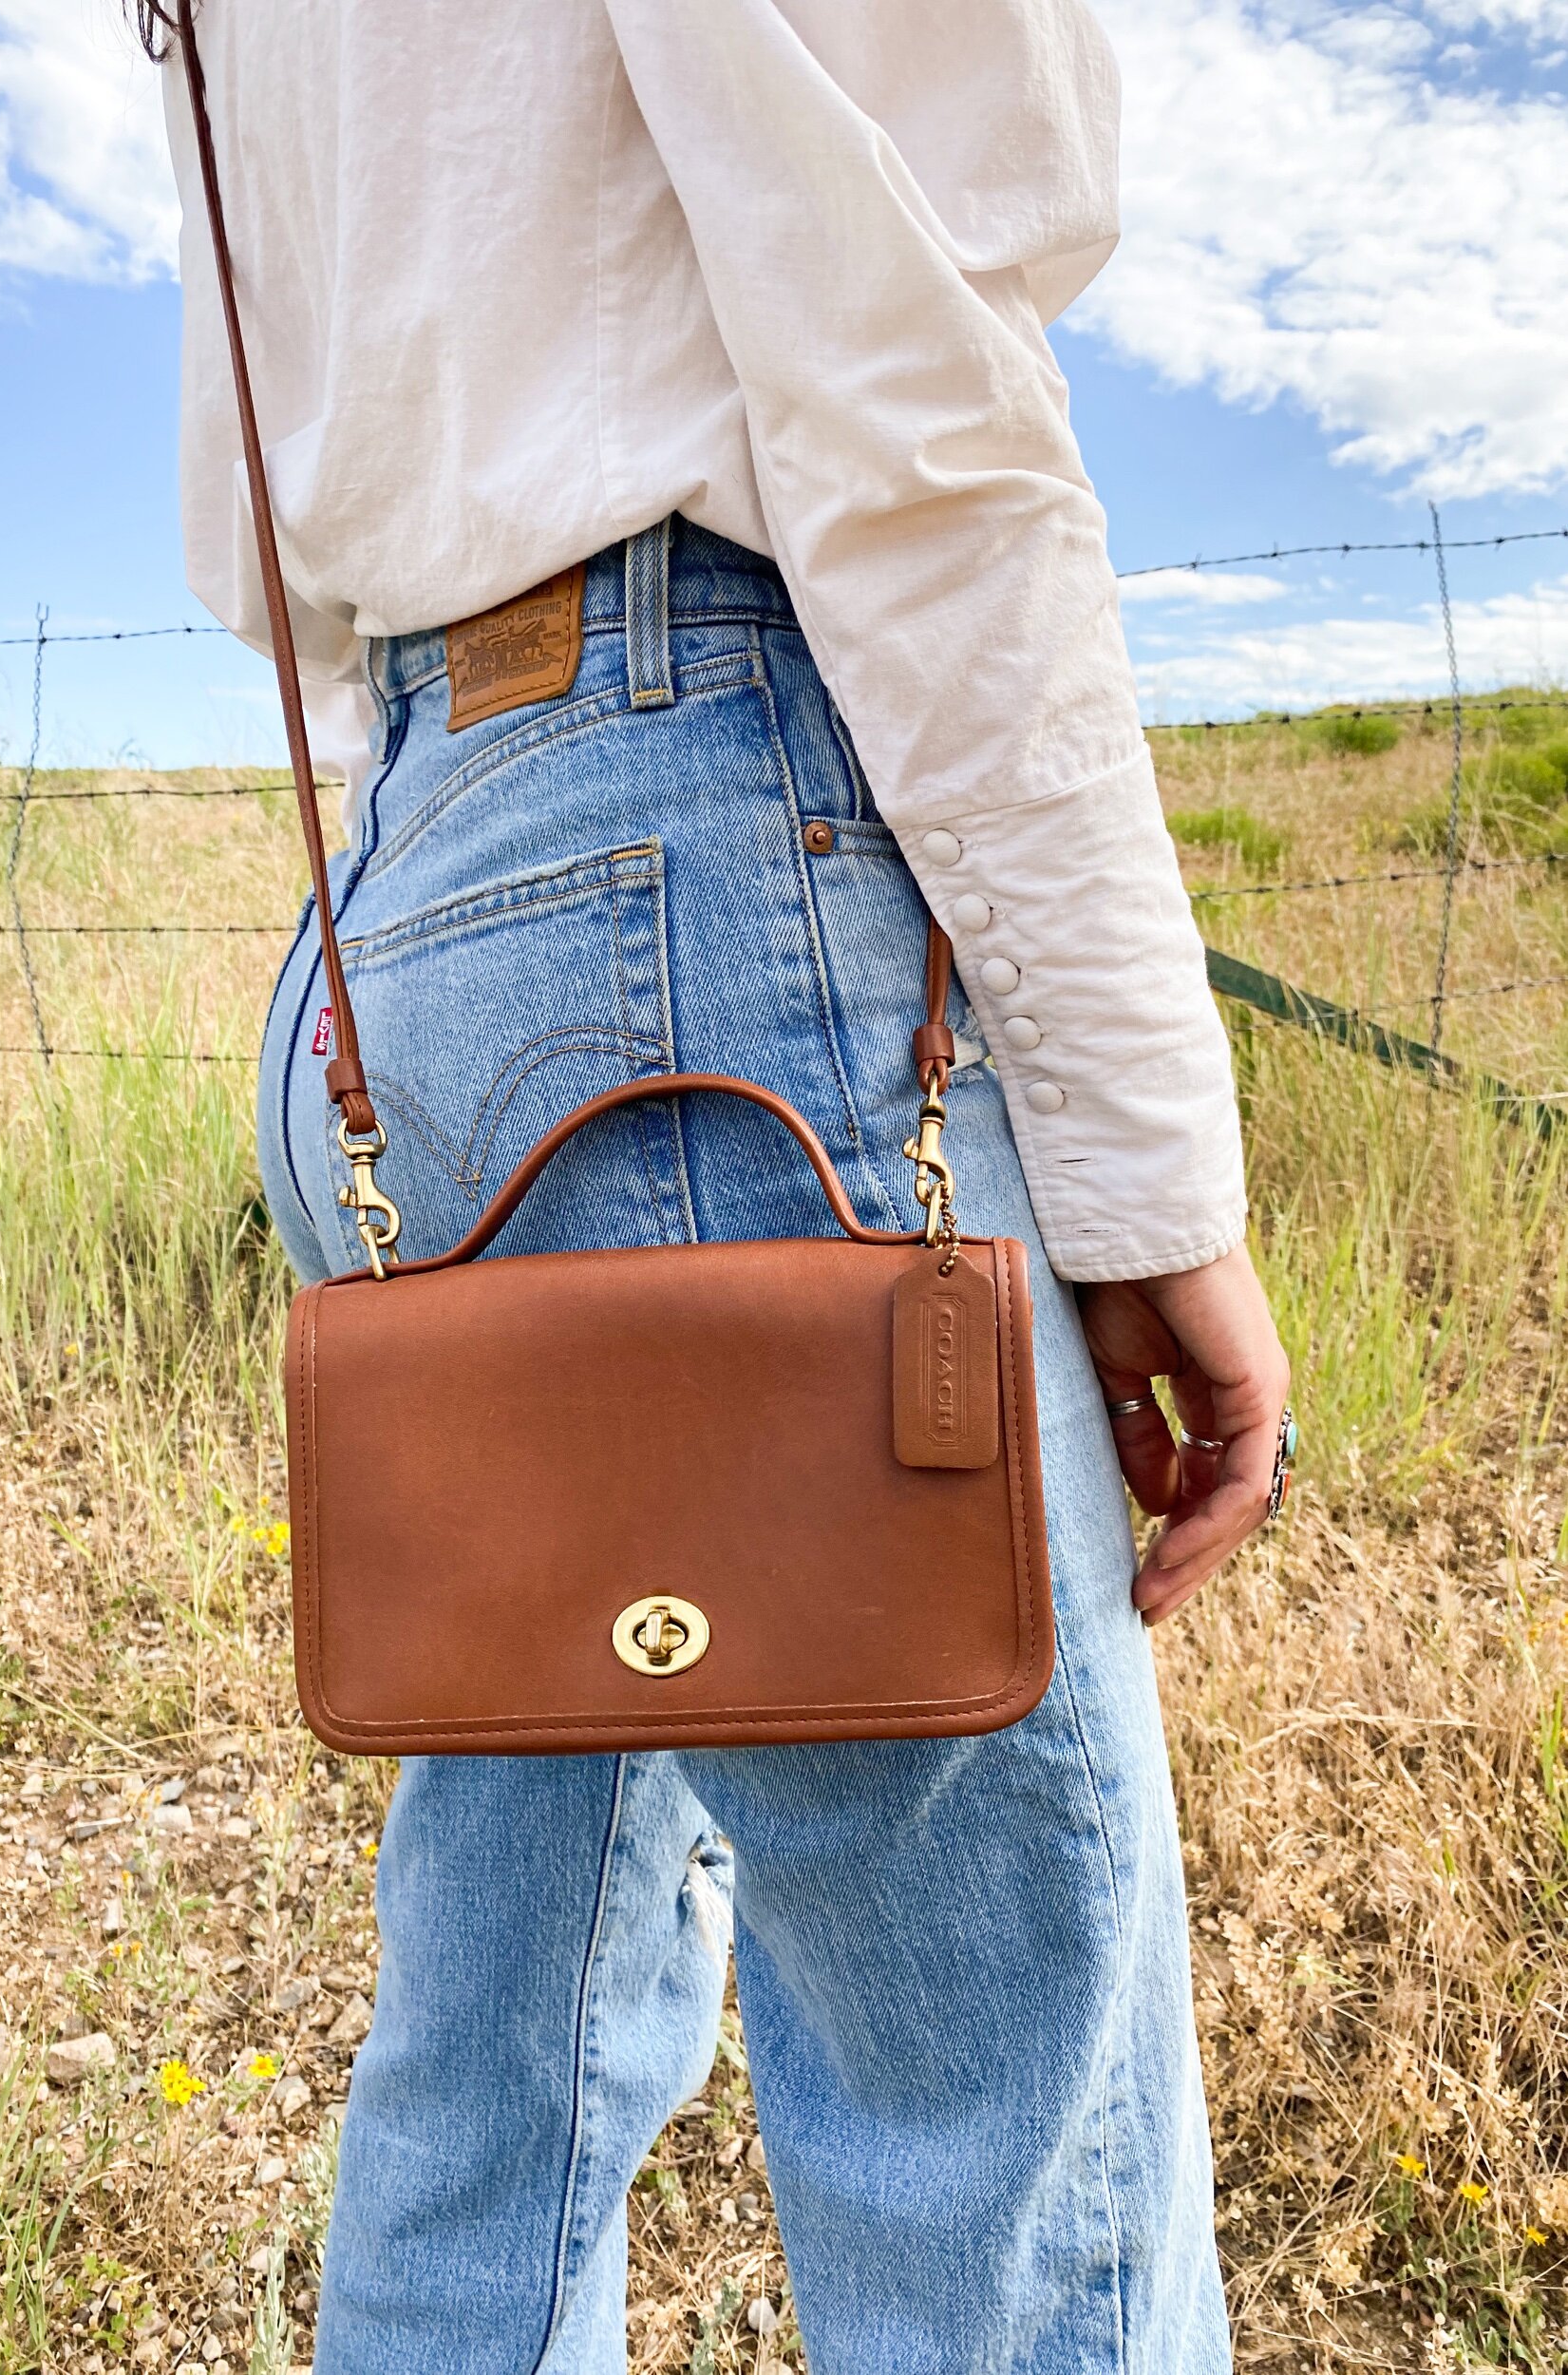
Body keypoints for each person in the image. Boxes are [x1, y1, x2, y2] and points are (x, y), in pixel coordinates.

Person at [149, 4, 1291, 2366]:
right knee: (995, 2128)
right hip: (710, 860)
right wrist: (1144, 1162)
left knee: (499, 2039)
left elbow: (257, 472)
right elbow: (913, 394)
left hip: (407, 880)